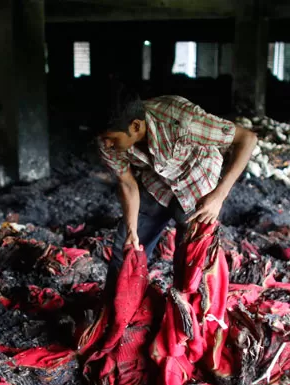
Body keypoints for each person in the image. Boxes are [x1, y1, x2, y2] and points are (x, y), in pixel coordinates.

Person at [96, 87, 257, 288]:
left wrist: (219, 196)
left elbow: (247, 139)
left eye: (113, 139)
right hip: (156, 183)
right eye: (104, 139)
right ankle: (120, 311)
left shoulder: (181, 119)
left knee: (191, 264)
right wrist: (131, 229)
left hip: (196, 182)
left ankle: (181, 310)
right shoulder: (107, 142)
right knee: (125, 250)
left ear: (136, 126)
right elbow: (128, 184)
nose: (108, 145)